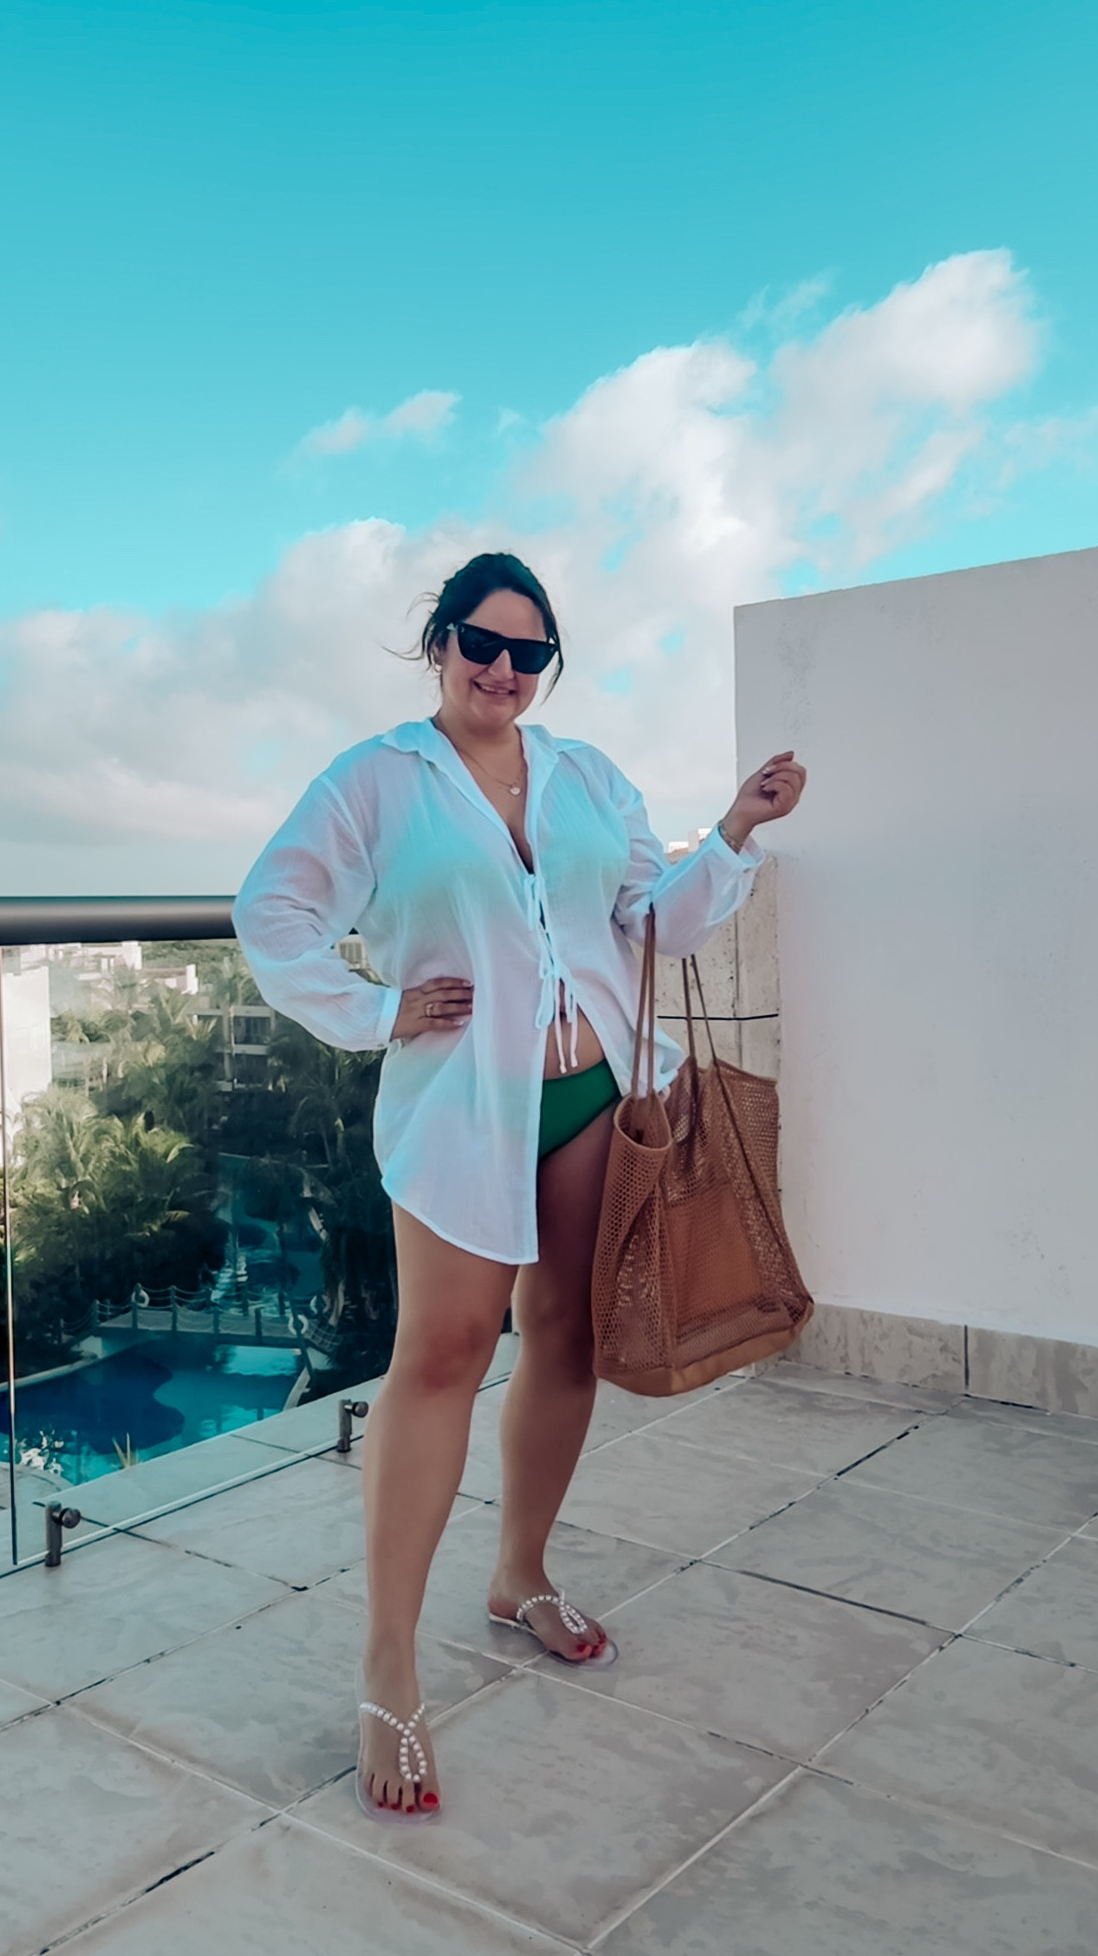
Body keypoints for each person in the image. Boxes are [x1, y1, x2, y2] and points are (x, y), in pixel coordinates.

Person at [233, 552, 806, 1821]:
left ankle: (519, 1571)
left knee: (567, 1339)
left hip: (594, 1095)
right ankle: (389, 1655)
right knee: (437, 1356)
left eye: (528, 653)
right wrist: (375, 1008)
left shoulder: (589, 775)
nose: (503, 670)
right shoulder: (375, 781)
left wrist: (733, 830)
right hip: (462, 1106)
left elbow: (651, 919)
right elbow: (270, 913)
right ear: (438, 643)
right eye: (481, 644)